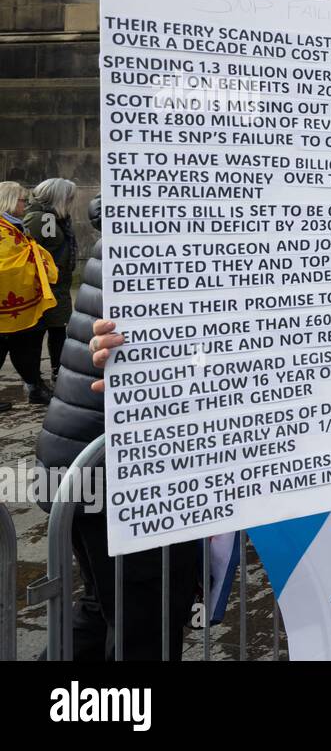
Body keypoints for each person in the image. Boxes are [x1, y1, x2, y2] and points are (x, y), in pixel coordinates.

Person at [36, 195, 203, 659]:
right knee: (147, 626)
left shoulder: (139, 229)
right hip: (123, 478)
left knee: (104, 607)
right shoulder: (161, 243)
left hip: (79, 461)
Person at [0, 180, 57, 405]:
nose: (26, 204)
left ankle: (35, 386)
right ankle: (36, 387)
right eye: (23, 200)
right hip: (9, 304)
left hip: (25, 302)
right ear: (11, 202)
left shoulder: (15, 226)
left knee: (29, 346)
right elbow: (6, 266)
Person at [25, 178, 77, 387]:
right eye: (69, 197)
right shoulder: (43, 218)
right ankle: (34, 382)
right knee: (36, 337)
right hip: (44, 288)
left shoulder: (57, 218)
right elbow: (30, 252)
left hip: (58, 287)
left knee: (58, 332)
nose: (72, 201)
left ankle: (56, 374)